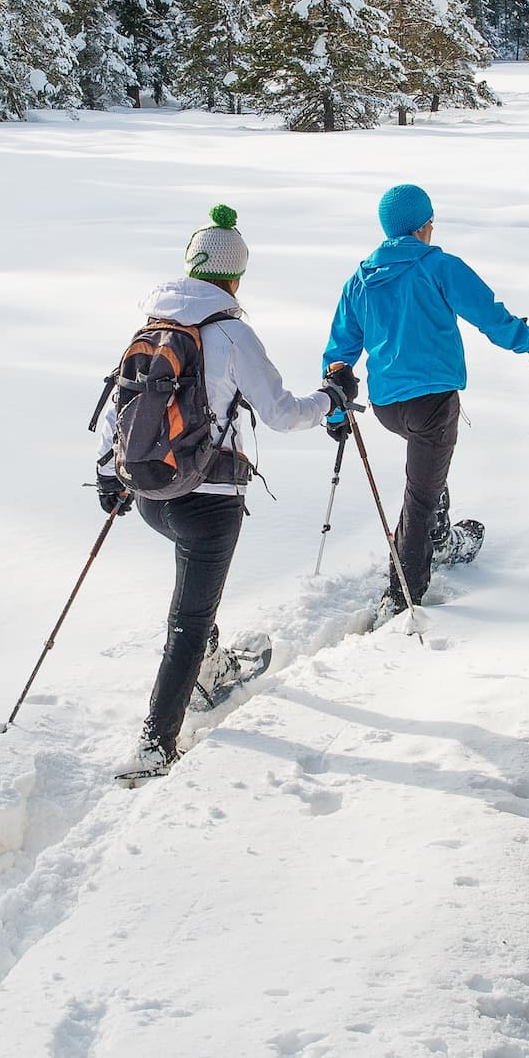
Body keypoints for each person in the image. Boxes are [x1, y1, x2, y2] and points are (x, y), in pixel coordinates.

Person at [95, 205, 334, 775]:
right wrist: (332, 399)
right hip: (211, 501)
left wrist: (110, 474)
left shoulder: (153, 328)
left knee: (190, 598)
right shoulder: (232, 333)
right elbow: (280, 413)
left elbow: (118, 407)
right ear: (235, 276)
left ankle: (208, 664)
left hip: (154, 494)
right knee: (190, 615)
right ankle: (156, 743)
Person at [321, 182, 529, 615]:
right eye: (430, 223)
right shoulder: (438, 265)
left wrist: (334, 405)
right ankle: (402, 596)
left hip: (388, 406)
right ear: (424, 226)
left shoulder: (361, 279)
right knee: (419, 497)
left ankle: (441, 538)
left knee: (427, 472)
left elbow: (339, 352)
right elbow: (490, 315)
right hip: (433, 404)